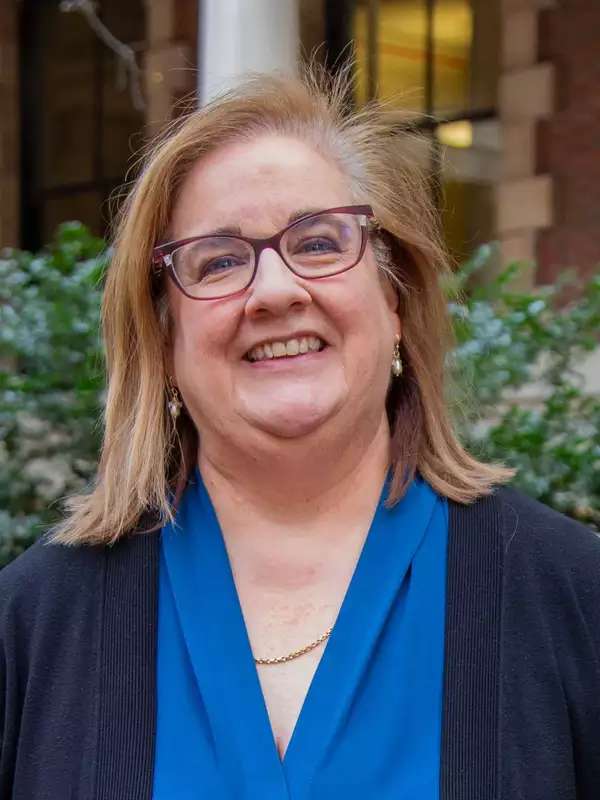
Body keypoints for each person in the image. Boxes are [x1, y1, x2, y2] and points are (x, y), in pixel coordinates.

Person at [1, 68, 599, 800]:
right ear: (162, 340)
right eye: (219, 261)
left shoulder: (570, 595)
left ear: (396, 300)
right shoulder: (35, 625)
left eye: (319, 243)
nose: (276, 291)